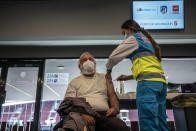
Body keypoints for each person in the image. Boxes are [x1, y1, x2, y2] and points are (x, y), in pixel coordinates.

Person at [106, 19, 170, 131]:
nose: (124, 36)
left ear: (130, 29)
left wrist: (108, 70)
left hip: (148, 86)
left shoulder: (134, 38)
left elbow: (114, 57)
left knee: (148, 121)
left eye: (124, 33)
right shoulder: (147, 41)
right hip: (160, 84)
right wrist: (127, 77)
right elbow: (148, 69)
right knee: (161, 121)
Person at [65, 52, 130, 131]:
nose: (88, 61)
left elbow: (112, 95)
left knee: (121, 127)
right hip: (83, 114)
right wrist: (82, 115)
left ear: (95, 63)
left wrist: (115, 108)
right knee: (73, 126)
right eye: (84, 60)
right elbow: (68, 103)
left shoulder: (104, 78)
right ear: (79, 65)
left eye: (90, 59)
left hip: (104, 115)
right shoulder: (74, 82)